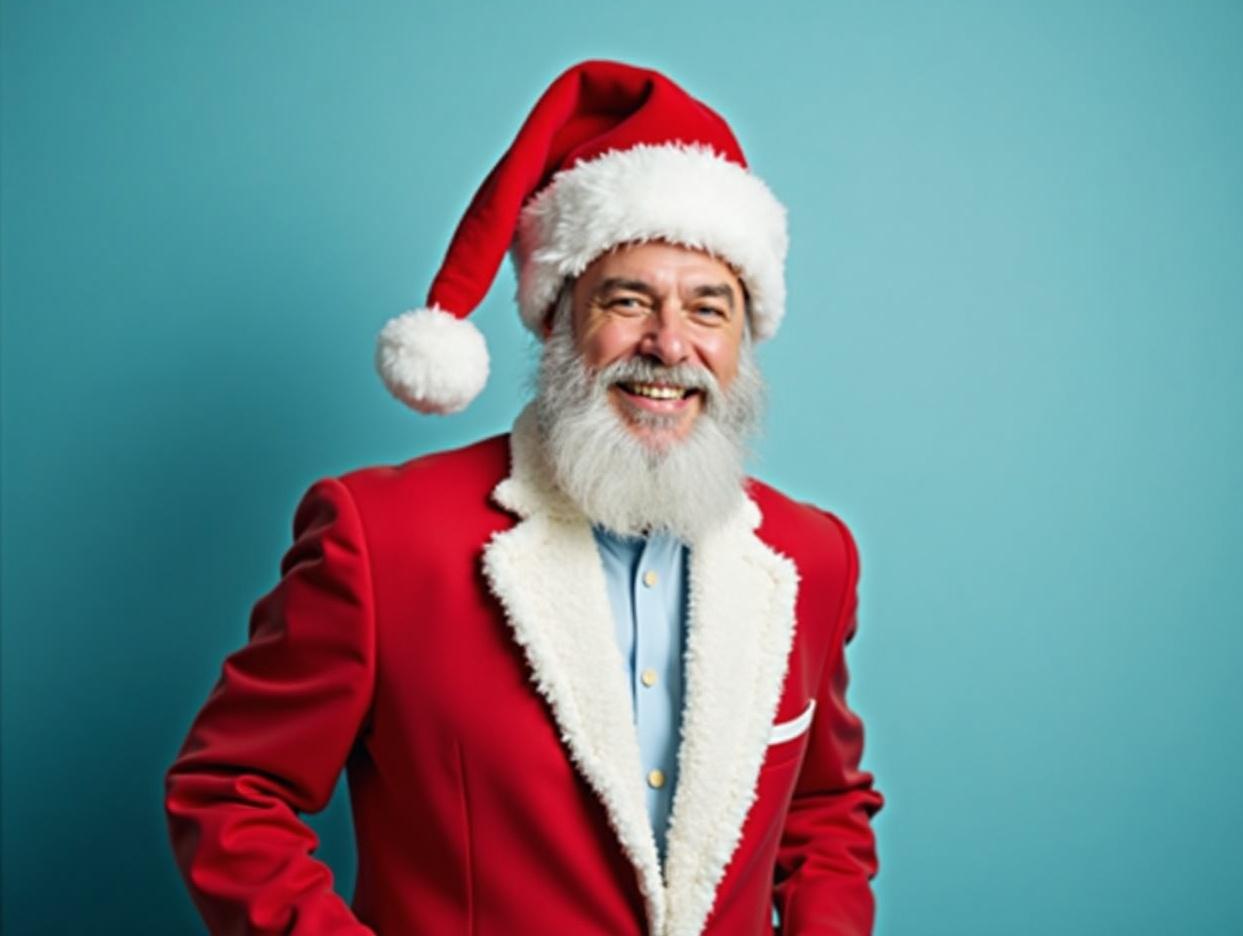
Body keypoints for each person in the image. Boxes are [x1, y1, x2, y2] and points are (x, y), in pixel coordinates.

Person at [165, 59, 883, 936]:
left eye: (709, 309)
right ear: (556, 319)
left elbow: (824, 816)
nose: (668, 345)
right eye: (628, 300)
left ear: (744, 337)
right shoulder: (380, 538)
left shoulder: (813, 556)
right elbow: (232, 794)